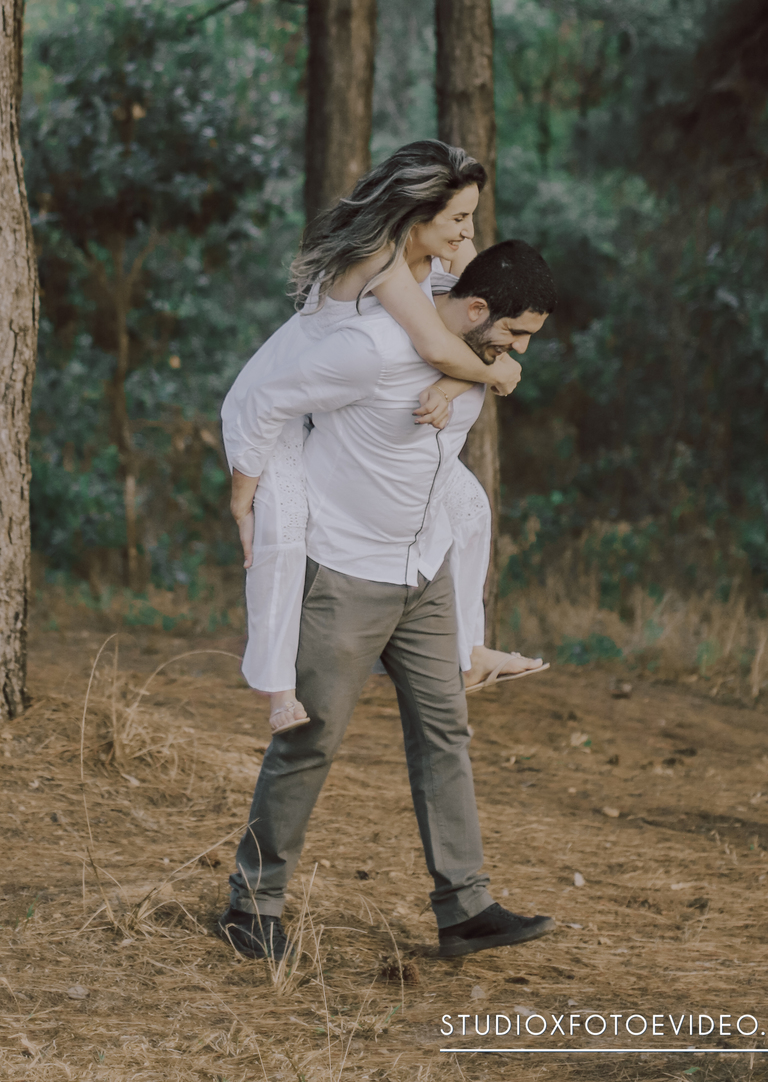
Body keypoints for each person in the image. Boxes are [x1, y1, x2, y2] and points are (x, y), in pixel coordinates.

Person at [218, 239, 559, 962]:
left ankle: (465, 909)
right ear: (476, 308)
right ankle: (251, 906)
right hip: (344, 570)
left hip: (425, 571)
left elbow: (490, 367)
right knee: (309, 740)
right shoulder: (368, 349)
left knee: (445, 734)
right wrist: (247, 492)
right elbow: (268, 398)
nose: (520, 350)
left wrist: (466, 380)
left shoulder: (473, 352)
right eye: (516, 332)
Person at [222, 141, 544, 735]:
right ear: (417, 214)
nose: (468, 232)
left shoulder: (447, 251)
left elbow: (469, 339)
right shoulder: (382, 258)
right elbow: (438, 346)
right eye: (458, 217)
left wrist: (461, 382)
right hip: (275, 404)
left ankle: (470, 652)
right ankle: (277, 687)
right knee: (282, 529)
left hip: (334, 405)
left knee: (470, 509)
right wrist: (243, 489)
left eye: (472, 215)